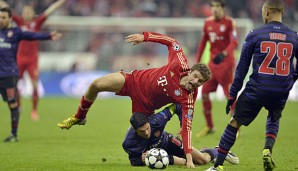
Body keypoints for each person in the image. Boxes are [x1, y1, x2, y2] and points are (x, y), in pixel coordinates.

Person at [57, 32, 212, 168]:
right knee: (96, 84)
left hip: (144, 107)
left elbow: (187, 128)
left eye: (200, 82)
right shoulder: (179, 63)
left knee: (142, 136)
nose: (196, 82)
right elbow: (172, 42)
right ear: (191, 71)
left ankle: (202, 153)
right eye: (196, 77)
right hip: (133, 80)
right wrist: (144, 37)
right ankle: (79, 117)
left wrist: (189, 159)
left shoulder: (189, 98)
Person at [205, 0, 298, 170]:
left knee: (234, 123)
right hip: (281, 90)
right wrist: (292, 79)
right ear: (282, 13)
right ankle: (267, 150)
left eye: (263, 12)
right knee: (273, 116)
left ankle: (217, 166)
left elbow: (242, 68)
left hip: (257, 88)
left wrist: (232, 95)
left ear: (267, 12)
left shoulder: (255, 34)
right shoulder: (294, 36)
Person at [0, 7, 61, 142]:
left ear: (10, 19)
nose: (1, 20)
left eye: (3, 17)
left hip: (11, 73)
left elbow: (33, 35)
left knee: (13, 102)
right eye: (0, 17)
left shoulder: (16, 32)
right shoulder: (8, 28)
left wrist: (49, 36)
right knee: (13, 98)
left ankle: (16, 131)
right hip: (12, 67)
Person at [123, 103, 239, 167]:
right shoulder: (129, 143)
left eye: (147, 128)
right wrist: (142, 160)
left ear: (149, 122)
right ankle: (202, 152)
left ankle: (218, 151)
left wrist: (182, 125)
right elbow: (134, 161)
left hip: (168, 142)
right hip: (159, 155)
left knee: (202, 160)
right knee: (188, 162)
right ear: (134, 129)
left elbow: (177, 106)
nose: (147, 132)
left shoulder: (157, 120)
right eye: (142, 132)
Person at [195, 0, 238, 138]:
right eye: (212, 6)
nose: (214, 9)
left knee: (229, 95)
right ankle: (210, 126)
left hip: (226, 64)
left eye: (217, 6)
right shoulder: (207, 23)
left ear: (223, 8)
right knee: (205, 93)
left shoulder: (230, 23)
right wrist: (197, 61)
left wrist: (224, 54)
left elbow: (234, 41)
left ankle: (235, 126)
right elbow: (203, 43)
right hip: (212, 65)